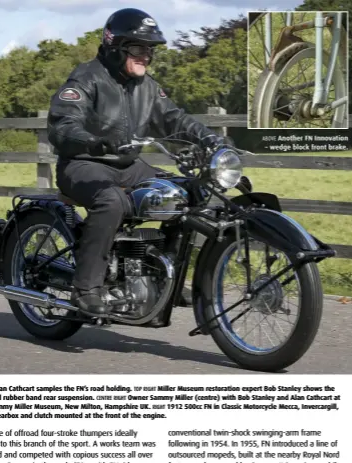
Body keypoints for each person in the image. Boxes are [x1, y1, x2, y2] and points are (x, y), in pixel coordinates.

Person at [47, 8, 224, 318]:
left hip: (128, 166)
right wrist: (94, 140)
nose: (146, 56)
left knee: (188, 193)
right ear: (116, 46)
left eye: (150, 50)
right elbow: (63, 124)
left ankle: (162, 276)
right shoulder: (86, 78)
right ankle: (85, 288)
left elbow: (175, 120)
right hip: (83, 163)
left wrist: (211, 141)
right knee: (112, 202)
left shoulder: (148, 87)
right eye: (139, 48)